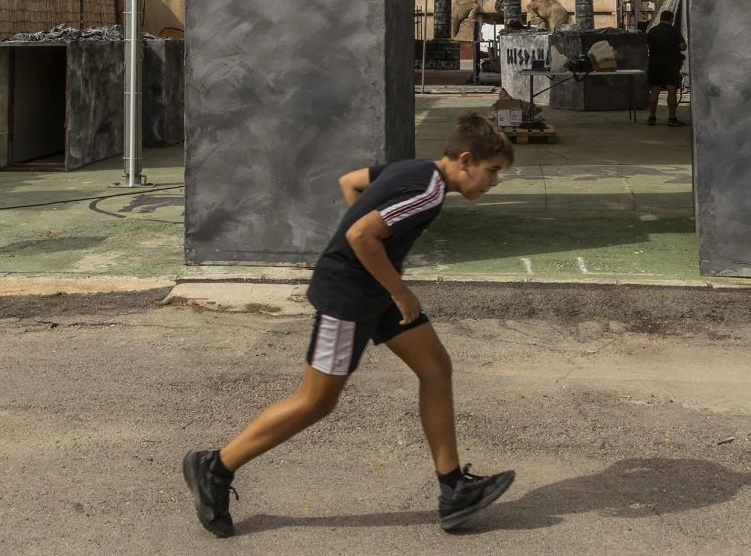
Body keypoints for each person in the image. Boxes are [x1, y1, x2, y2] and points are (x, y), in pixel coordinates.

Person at [182, 113, 519, 537]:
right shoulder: (429, 191)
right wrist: (397, 288)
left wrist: (378, 259)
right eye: (492, 173)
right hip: (348, 294)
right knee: (316, 401)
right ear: (466, 160)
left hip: (371, 286)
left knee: (435, 368)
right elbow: (362, 235)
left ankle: (453, 489)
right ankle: (215, 466)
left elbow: (351, 182)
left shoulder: (414, 169)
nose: (493, 184)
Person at [646, 8, 685, 125]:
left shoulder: (652, 31)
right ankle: (672, 119)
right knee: (671, 91)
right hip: (670, 63)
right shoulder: (674, 31)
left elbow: (648, 47)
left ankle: (652, 118)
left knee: (654, 91)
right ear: (671, 19)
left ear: (661, 18)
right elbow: (682, 46)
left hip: (654, 63)